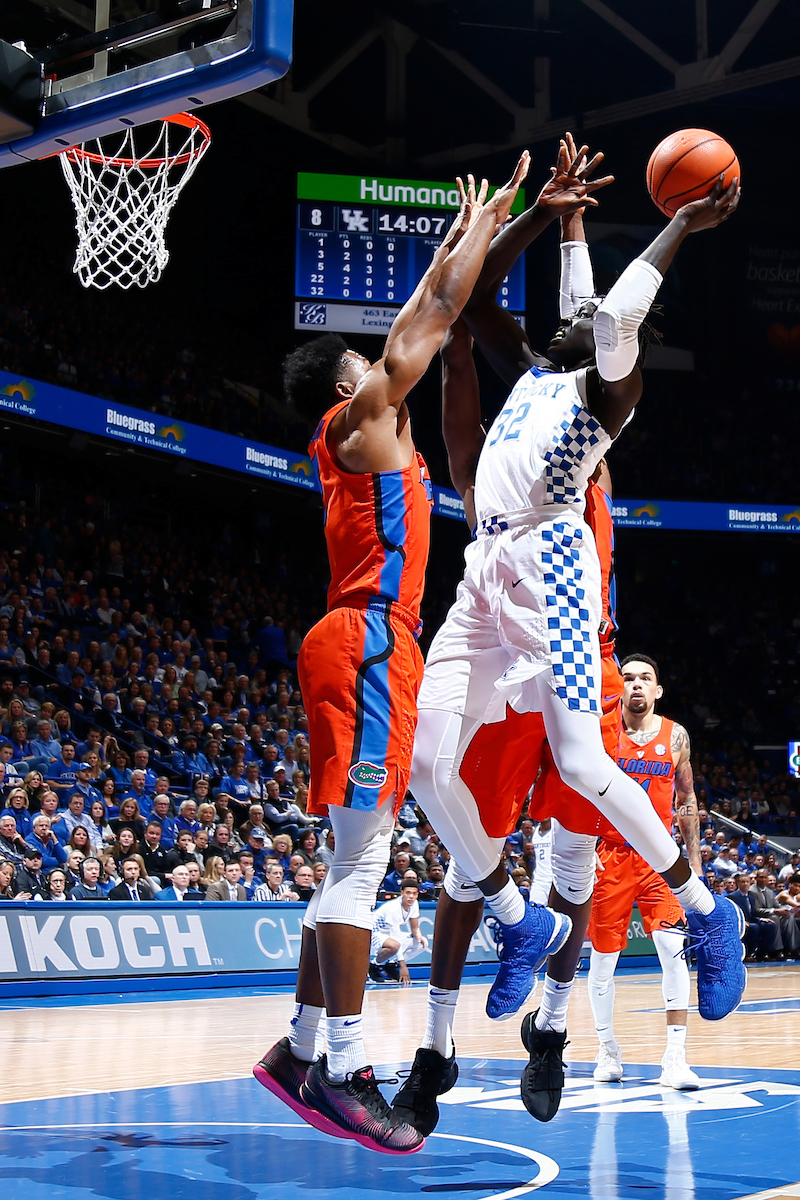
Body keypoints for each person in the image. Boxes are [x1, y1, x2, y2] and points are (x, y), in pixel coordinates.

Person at [407, 144, 744, 1032]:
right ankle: (517, 920)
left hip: (553, 562)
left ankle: (706, 912)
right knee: (425, 764)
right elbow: (477, 293)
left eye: (591, 316)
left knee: (587, 766)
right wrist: (553, 217)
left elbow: (617, 310)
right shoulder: (537, 371)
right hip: (486, 568)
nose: (582, 312)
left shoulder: (609, 390)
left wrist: (682, 221)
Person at [253, 159, 532, 1155]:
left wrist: (458, 236)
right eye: (366, 362)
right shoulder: (358, 419)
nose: (384, 362)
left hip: (376, 642)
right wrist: (483, 226)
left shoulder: (373, 430)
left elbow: (422, 312)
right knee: (361, 860)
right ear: (349, 386)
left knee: (350, 857)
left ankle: (297, 1048)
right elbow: (432, 319)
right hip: (367, 637)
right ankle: (340, 1067)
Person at [587, 655, 704, 1089]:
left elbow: (686, 800)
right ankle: (607, 1049)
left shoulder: (676, 736)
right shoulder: (601, 733)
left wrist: (693, 863)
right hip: (610, 856)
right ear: (619, 687)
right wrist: (584, 850)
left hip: (661, 859)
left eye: (645, 678)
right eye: (628, 678)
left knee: (674, 953)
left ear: (658, 690)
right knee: (603, 962)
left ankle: (675, 1057)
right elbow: (578, 793)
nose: (636, 684)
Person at [368, 880, 429, 984]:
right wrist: (403, 966)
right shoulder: (393, 908)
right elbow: (395, 938)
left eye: (414, 893)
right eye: (408, 893)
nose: (411, 896)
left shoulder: (414, 904)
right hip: (374, 932)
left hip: (388, 934)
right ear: (402, 893)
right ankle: (373, 965)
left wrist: (419, 937)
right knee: (394, 946)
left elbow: (415, 928)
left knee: (421, 943)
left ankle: (391, 965)